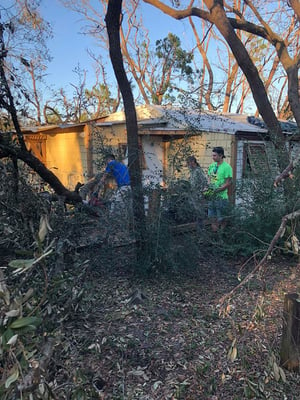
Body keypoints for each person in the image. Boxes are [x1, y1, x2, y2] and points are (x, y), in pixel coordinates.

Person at [206, 147, 233, 232]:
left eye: (215, 155)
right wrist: (208, 187)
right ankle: (215, 235)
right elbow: (209, 178)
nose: (213, 157)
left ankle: (221, 234)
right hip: (211, 196)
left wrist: (219, 189)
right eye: (212, 155)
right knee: (212, 217)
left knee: (222, 218)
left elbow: (228, 183)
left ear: (221, 155)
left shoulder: (227, 167)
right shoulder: (212, 165)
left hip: (221, 197)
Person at [186, 155, 208, 230]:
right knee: (196, 213)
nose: (188, 165)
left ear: (193, 162)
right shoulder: (192, 171)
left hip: (199, 196)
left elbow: (204, 182)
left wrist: (202, 193)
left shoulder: (198, 171)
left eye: (188, 163)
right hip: (193, 195)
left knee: (200, 214)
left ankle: (202, 231)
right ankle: (198, 230)